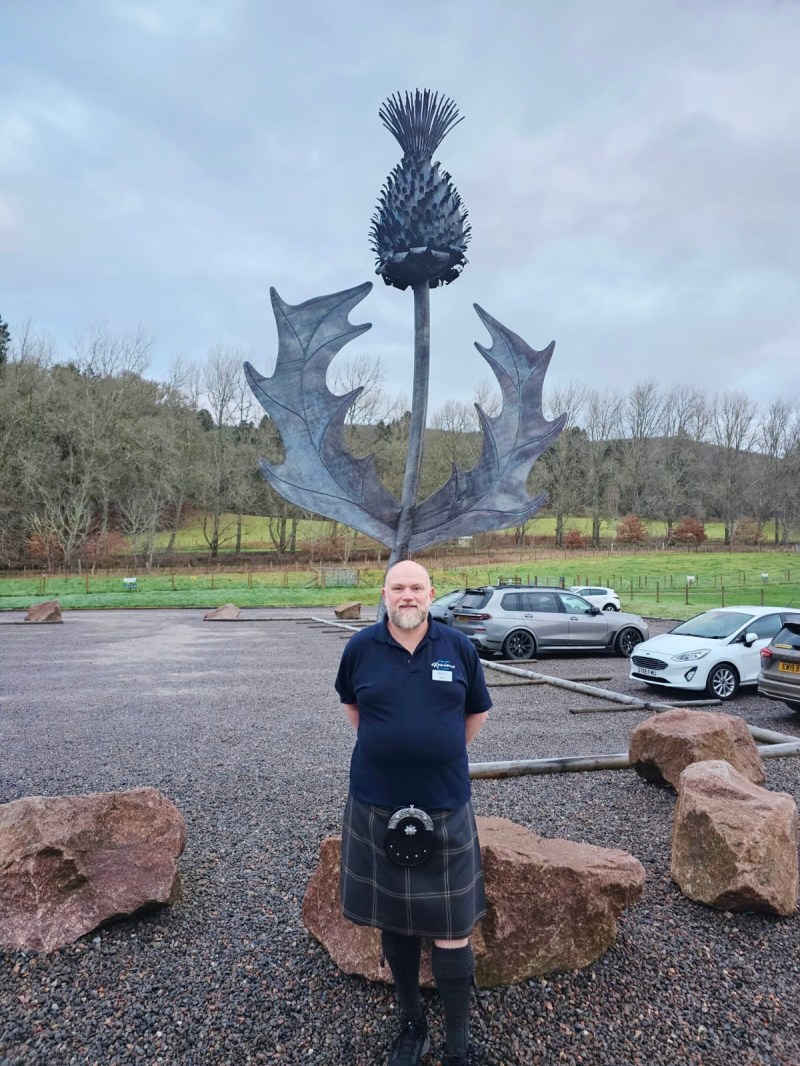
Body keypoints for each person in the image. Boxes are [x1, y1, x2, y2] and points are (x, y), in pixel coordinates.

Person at [335, 560, 491, 1066]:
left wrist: (438, 752)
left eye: (416, 588)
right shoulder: (360, 648)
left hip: (444, 801)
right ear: (384, 594)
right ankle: (411, 1026)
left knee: (453, 928)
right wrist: (391, 748)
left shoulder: (458, 647)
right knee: (395, 922)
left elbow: (476, 711)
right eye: (398, 588)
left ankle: (459, 1049)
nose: (407, 596)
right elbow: (352, 708)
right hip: (376, 801)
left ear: (431, 594)